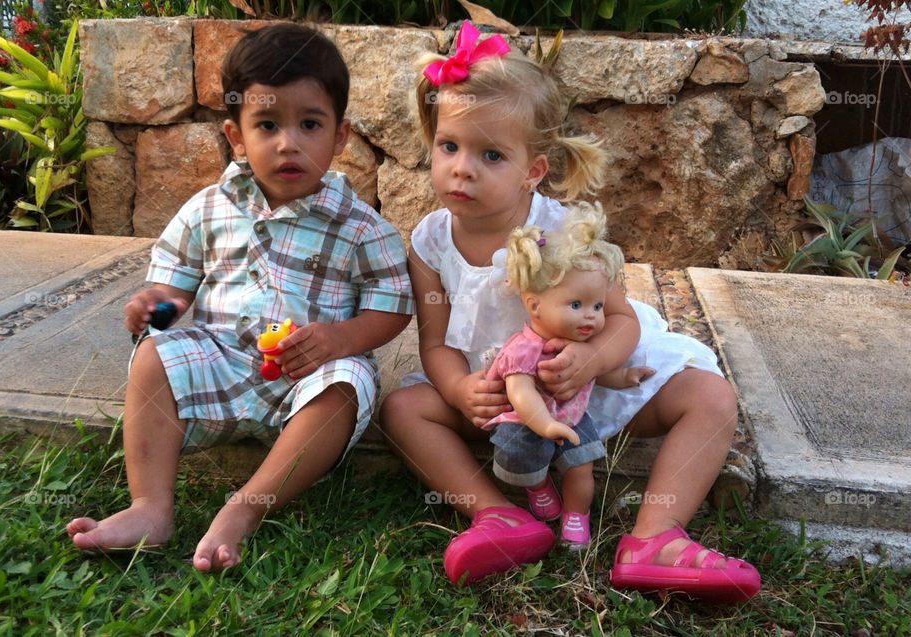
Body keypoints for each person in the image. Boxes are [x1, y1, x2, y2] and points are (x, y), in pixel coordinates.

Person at [379, 21, 759, 602]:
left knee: (711, 397)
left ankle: (655, 537)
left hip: (585, 388)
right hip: (500, 394)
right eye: (449, 146)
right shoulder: (430, 242)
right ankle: (499, 518)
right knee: (404, 407)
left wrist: (589, 356)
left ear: (533, 169)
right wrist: (458, 390)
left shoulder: (563, 231)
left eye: (491, 155)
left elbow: (623, 320)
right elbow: (435, 343)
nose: (462, 168)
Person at [66, 23, 414, 572]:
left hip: (307, 376)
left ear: (340, 136)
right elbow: (175, 286)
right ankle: (150, 507)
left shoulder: (361, 227)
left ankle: (245, 508)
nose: (288, 142)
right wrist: (154, 306)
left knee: (347, 386)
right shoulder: (208, 209)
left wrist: (339, 339)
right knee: (155, 354)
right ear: (235, 135)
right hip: (222, 363)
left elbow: (393, 305)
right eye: (267, 125)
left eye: (310, 124)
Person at [485, 201, 654, 550]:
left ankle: (576, 515)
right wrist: (545, 425)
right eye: (577, 306)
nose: (591, 317)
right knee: (524, 462)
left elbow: (591, 376)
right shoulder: (523, 349)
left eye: (598, 306)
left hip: (574, 418)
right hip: (528, 421)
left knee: (582, 468)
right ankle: (537, 486)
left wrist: (623, 376)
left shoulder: (580, 343)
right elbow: (521, 392)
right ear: (534, 306)